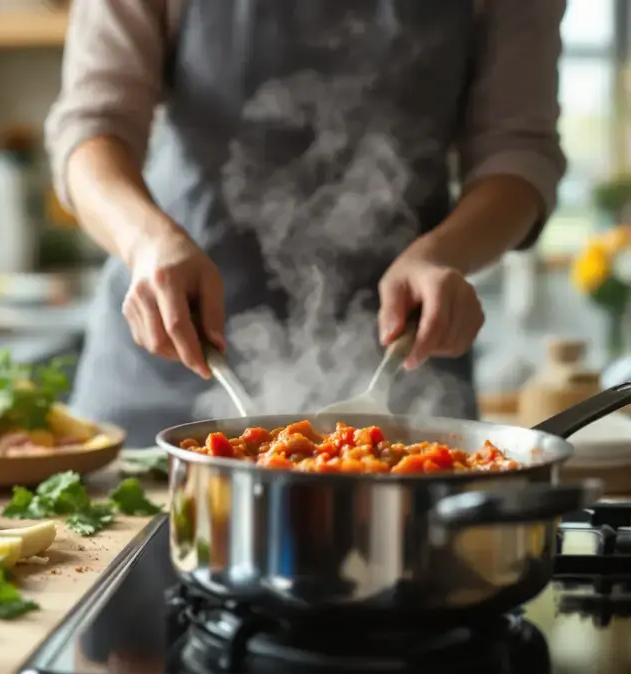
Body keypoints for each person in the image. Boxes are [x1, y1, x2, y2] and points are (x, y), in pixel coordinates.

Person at [46, 0, 566, 446]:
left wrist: (445, 254)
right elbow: (92, 127)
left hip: (404, 378)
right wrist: (147, 244)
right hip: (164, 364)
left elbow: (517, 153)